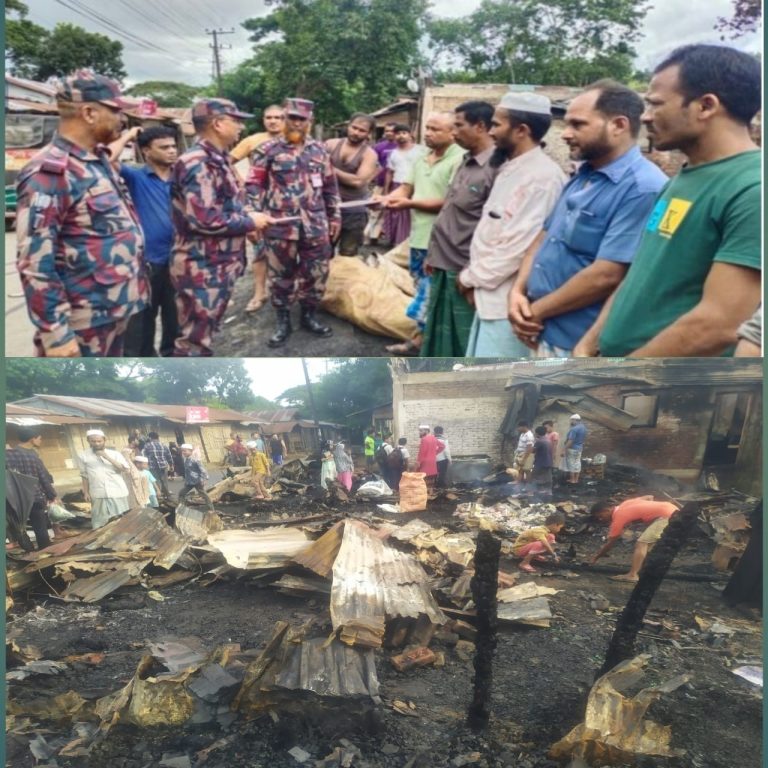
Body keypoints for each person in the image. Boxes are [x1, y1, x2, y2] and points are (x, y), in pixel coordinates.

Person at [591, 45, 762, 357]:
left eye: (655, 104)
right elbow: (641, 273)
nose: (645, 116)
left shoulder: (752, 189)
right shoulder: (682, 179)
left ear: (706, 106)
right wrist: (592, 341)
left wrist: (618, 376)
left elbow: (720, 323)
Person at [508, 80, 668, 357]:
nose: (565, 134)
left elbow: (607, 275)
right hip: (542, 329)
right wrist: (518, 292)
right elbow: (545, 236)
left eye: (578, 125)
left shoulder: (643, 188)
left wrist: (534, 312)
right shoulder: (584, 175)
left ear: (618, 125)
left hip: (577, 343)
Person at [16, 70, 149, 357]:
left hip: (111, 310)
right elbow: (36, 261)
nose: (122, 119)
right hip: (83, 323)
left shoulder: (96, 159)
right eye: (116, 111)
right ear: (89, 112)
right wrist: (56, 333)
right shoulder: (51, 172)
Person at [461, 93, 568, 357]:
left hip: (508, 302)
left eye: (496, 125)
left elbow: (520, 246)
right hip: (490, 294)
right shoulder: (513, 168)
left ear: (521, 130)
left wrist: (470, 279)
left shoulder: (542, 177)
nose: (491, 131)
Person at [171, 98, 273, 356]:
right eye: (235, 121)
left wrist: (247, 214)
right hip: (202, 266)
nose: (240, 127)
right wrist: (251, 221)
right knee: (194, 340)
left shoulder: (219, 158)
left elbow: (227, 203)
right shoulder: (198, 162)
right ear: (217, 124)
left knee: (206, 331)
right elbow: (205, 219)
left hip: (217, 262)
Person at [247, 98, 342, 347]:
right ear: (284, 118)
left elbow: (330, 186)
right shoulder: (267, 150)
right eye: (292, 117)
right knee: (281, 276)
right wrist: (253, 218)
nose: (297, 123)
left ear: (309, 122)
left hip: (316, 225)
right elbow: (253, 185)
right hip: (280, 225)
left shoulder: (320, 150)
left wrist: (334, 216)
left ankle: (309, 316)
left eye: (302, 119)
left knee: (317, 273)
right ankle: (283, 320)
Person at [380, 113, 466, 355]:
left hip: (444, 241)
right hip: (419, 238)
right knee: (421, 288)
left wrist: (408, 204)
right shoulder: (421, 159)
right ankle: (422, 340)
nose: (428, 133)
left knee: (435, 294)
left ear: (453, 133)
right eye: (427, 128)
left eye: (435, 129)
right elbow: (406, 188)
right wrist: (386, 198)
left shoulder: (459, 160)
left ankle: (422, 344)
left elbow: (450, 202)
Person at [421, 101, 497, 357]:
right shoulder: (466, 161)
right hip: (444, 262)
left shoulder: (498, 168)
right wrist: (434, 254)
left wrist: (475, 274)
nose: (454, 133)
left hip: (466, 270)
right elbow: (451, 210)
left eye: (459, 126)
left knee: (462, 340)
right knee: (438, 335)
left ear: (481, 126)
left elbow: (496, 230)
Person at [109, 124, 180, 356]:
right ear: (147, 151)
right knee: (141, 324)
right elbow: (107, 158)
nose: (172, 151)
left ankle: (171, 358)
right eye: (164, 147)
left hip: (179, 260)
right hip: (148, 263)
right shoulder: (137, 176)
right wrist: (129, 135)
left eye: (173, 146)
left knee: (176, 320)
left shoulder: (183, 176)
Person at [231, 104, 286, 313]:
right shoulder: (252, 141)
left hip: (287, 203)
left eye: (278, 117)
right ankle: (259, 292)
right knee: (259, 248)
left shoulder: (295, 140)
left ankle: (288, 289)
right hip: (260, 202)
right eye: (268, 117)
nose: (273, 121)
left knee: (289, 248)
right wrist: (240, 180)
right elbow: (227, 161)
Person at [326, 113, 379, 256]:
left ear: (369, 133)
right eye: (354, 127)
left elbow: (357, 181)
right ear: (348, 126)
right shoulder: (331, 144)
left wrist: (328, 168)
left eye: (362, 130)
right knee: (322, 252)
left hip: (354, 210)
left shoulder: (369, 154)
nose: (356, 133)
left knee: (348, 254)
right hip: (328, 208)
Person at [590, 496, 679, 581]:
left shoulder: (618, 517)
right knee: (648, 545)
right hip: (673, 509)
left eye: (600, 516)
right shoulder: (625, 503)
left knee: (642, 543)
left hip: (666, 515)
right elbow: (649, 497)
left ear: (607, 510)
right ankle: (645, 571)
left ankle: (632, 575)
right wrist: (648, 511)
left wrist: (596, 557)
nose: (601, 519)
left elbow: (611, 542)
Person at [5, 426, 58, 549]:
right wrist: (52, 495)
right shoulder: (33, 456)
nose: (40, 441)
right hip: (35, 497)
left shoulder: (7, 455)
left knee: (20, 529)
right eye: (39, 438)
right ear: (32, 439)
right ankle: (45, 553)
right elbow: (43, 477)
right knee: (40, 529)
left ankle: (29, 553)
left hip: (15, 500)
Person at [77, 429, 132, 528]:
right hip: (98, 493)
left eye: (99, 441)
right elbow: (84, 475)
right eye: (93, 441)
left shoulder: (115, 454)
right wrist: (86, 492)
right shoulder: (83, 456)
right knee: (99, 522)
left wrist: (107, 457)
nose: (97, 444)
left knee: (121, 520)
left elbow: (126, 469)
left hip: (117, 491)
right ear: (88, 441)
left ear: (104, 440)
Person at [381, 125, 425, 245]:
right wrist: (386, 190)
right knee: (395, 214)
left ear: (410, 134)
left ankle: (408, 241)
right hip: (397, 185)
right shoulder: (393, 153)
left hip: (415, 186)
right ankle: (395, 241)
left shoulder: (421, 150)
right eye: (398, 133)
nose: (401, 136)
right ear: (394, 136)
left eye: (404, 133)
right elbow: (389, 172)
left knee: (410, 215)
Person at [365, 122, 398, 244]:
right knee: (375, 210)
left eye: (392, 131)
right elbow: (373, 164)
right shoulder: (379, 147)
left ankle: (392, 238)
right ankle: (370, 236)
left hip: (397, 184)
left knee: (392, 212)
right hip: (380, 182)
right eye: (387, 130)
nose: (389, 133)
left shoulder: (401, 147)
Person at [178, 443, 213, 509]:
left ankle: (211, 509)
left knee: (204, 495)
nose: (183, 452)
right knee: (181, 493)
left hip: (197, 481)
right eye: (182, 451)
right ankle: (181, 508)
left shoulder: (196, 459)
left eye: (185, 451)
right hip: (189, 482)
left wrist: (205, 479)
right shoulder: (185, 459)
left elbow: (203, 470)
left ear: (190, 451)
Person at [142, 431, 173, 500]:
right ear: (157, 437)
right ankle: (167, 495)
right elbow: (169, 456)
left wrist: (145, 465)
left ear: (150, 438)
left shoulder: (147, 445)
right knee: (164, 481)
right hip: (163, 466)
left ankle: (159, 496)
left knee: (156, 481)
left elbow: (144, 456)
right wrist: (171, 465)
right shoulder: (163, 445)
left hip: (153, 467)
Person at [415, 425, 440, 493]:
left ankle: (425, 495)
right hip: (432, 461)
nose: (419, 432)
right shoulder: (434, 438)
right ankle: (431, 493)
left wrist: (418, 462)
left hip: (425, 462)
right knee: (431, 478)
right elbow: (442, 446)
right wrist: (434, 453)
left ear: (426, 431)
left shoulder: (424, 439)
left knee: (424, 479)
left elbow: (422, 452)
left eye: (421, 431)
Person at [564, 415, 587, 484]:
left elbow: (570, 441)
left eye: (571, 420)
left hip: (572, 449)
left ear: (575, 420)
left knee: (571, 464)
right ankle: (576, 480)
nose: (571, 422)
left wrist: (564, 450)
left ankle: (572, 480)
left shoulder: (574, 429)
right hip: (579, 448)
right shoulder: (583, 428)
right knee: (577, 463)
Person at [532, 426, 554, 498]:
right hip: (549, 461)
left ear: (537, 433)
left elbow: (533, 451)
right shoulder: (548, 440)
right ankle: (548, 491)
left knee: (535, 476)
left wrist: (534, 442)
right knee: (548, 477)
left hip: (540, 462)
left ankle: (535, 492)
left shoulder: (539, 441)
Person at [515, 420, 535, 486]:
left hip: (526, 455)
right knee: (520, 470)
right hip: (520, 454)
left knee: (527, 471)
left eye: (519, 427)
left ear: (524, 427)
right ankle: (519, 484)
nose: (518, 428)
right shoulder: (522, 434)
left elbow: (530, 448)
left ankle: (529, 487)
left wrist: (524, 459)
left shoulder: (529, 435)